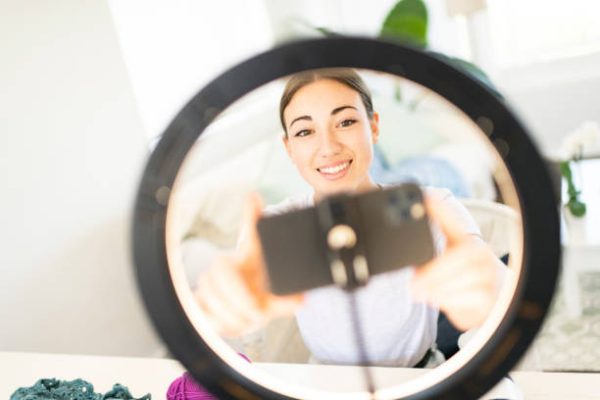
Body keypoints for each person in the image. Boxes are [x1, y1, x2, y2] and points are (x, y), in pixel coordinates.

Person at [194, 68, 506, 368]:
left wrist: (489, 293)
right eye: (305, 131)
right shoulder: (276, 227)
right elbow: (245, 285)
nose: (328, 147)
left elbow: (496, 285)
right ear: (289, 148)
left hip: (422, 377)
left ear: (373, 127)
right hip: (326, 386)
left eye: (345, 122)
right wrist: (230, 304)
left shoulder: (432, 207)